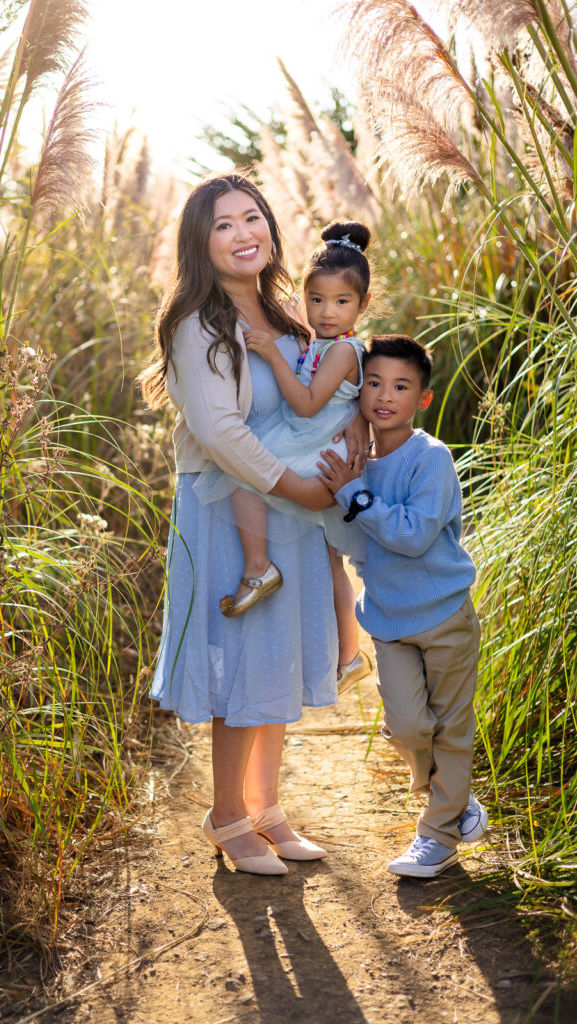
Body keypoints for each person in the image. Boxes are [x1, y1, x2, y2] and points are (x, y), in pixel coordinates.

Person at [139, 173, 369, 876]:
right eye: (222, 225)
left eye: (251, 219)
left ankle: (266, 809)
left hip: (290, 510)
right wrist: (297, 485)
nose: (243, 235)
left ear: (270, 227)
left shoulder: (291, 319)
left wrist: (354, 437)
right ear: (200, 245)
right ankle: (226, 816)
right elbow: (218, 431)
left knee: (275, 658)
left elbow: (325, 400)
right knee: (239, 659)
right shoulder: (195, 323)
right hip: (228, 505)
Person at [318, 334, 488, 878]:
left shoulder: (429, 459)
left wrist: (355, 496)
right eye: (373, 383)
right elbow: (348, 539)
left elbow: (413, 536)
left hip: (444, 617)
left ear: (423, 400)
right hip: (389, 622)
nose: (384, 395)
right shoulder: (356, 463)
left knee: (451, 728)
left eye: (400, 386)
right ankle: (454, 799)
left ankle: (436, 835)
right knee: (409, 726)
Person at [201, 219, 374, 693]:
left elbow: (305, 403)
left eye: (342, 302)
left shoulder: (342, 351)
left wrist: (272, 354)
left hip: (311, 441)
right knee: (328, 556)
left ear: (363, 305)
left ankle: (259, 568)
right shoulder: (322, 341)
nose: (326, 311)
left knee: (241, 465)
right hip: (312, 436)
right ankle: (350, 655)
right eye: (316, 299)